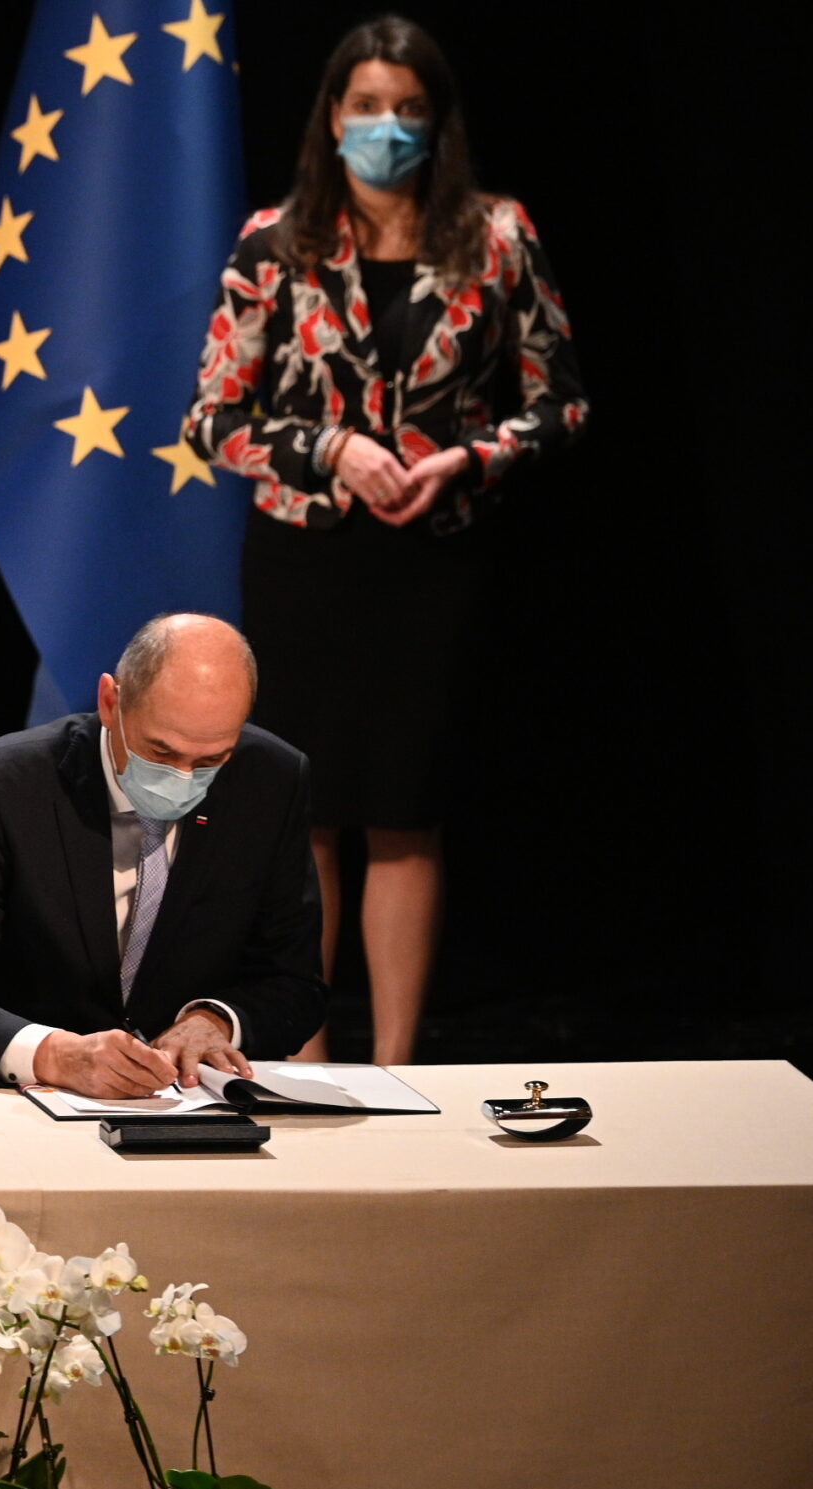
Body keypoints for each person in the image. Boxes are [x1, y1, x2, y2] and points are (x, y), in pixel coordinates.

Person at [180, 15, 585, 1064]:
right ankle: (305, 1062)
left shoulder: (497, 236)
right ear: (333, 116)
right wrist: (329, 449)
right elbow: (212, 418)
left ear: (436, 121)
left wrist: (472, 458)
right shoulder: (274, 243)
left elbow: (560, 404)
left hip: (433, 563)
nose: (386, 127)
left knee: (406, 813)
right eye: (366, 106)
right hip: (305, 562)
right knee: (305, 816)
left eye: (407, 108)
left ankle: (398, 1071)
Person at [0, 614, 324, 1097]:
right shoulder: (5, 785)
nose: (182, 778)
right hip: (25, 1102)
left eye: (210, 760)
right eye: (160, 752)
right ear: (111, 702)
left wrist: (216, 1019)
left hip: (192, 1103)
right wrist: (53, 1054)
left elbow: (295, 984)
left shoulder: (272, 781)